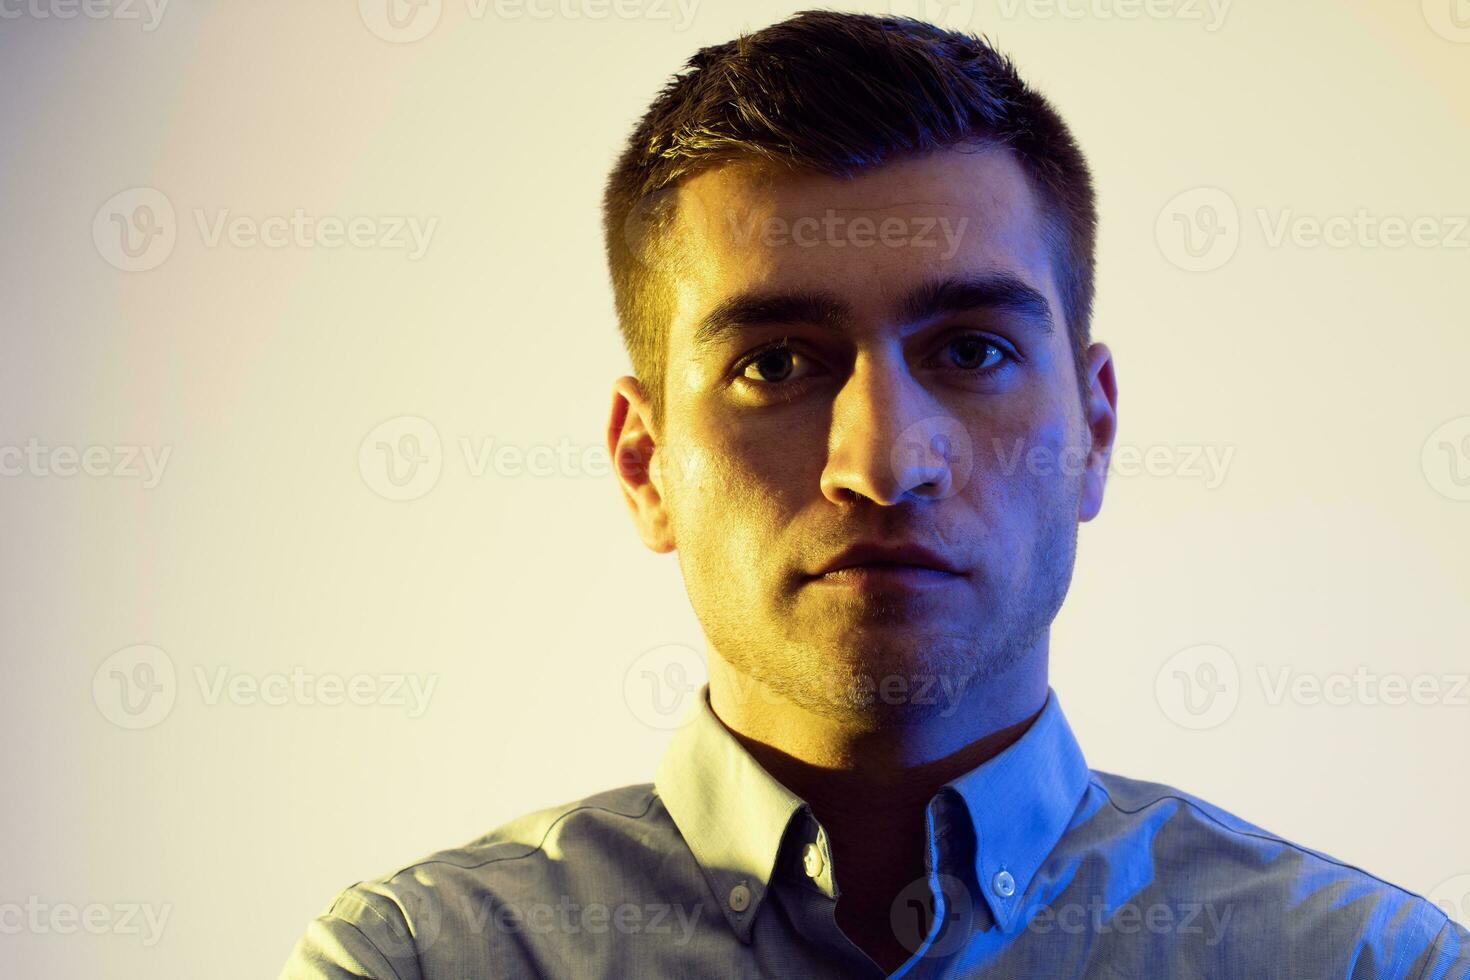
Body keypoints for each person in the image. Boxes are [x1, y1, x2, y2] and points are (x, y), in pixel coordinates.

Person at [280, 10, 1468, 978]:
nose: (882, 459)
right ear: (644, 464)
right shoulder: (423, 962)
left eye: (970, 350)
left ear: (1096, 428)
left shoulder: (1367, 966)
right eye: (776, 363)